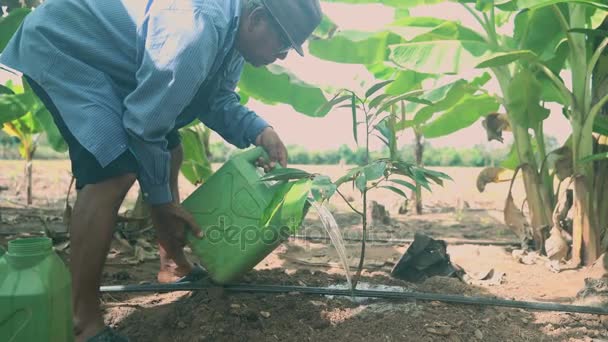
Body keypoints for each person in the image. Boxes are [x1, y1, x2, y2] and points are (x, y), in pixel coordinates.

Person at [0, 0, 322, 340]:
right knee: (111, 172)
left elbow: (217, 101)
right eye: (283, 44)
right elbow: (144, 127)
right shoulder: (196, 28)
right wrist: (160, 200)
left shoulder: (231, 41)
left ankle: (173, 265)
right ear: (257, 18)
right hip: (65, 46)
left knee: (171, 150)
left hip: (114, 65)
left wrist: (260, 130)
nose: (283, 56)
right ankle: (84, 322)